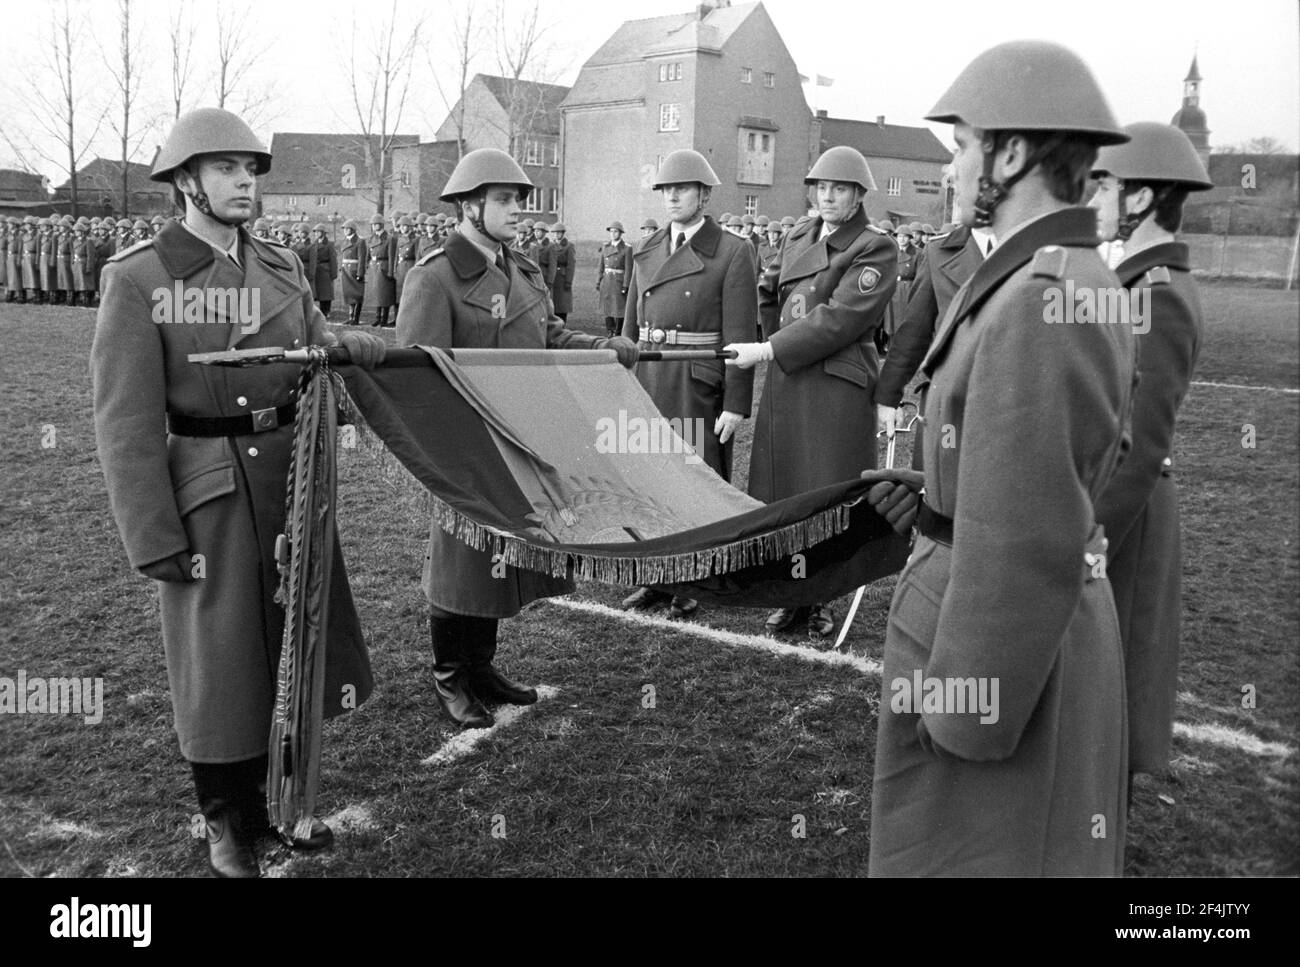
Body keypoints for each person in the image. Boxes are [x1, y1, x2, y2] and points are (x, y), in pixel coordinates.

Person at [91, 107, 387, 878]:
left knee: (287, 644)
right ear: (184, 181)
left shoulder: (282, 265)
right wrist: (154, 537)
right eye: (225, 168)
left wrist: (355, 349)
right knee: (219, 663)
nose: (244, 182)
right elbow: (123, 422)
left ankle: (276, 802)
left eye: (251, 169)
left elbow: (318, 346)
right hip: (210, 490)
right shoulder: (141, 277)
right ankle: (225, 819)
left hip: (287, 477)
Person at [864, 40, 1133, 877]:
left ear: (1012, 154)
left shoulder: (1040, 298)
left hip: (992, 657)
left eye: (962, 146)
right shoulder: (1043, 277)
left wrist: (962, 710)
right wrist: (938, 485)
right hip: (985, 626)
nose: (950, 170)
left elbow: (1023, 539)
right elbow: (1019, 470)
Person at [395, 148, 638, 730]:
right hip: (467, 444)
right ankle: (451, 674)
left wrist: (599, 349)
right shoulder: (435, 276)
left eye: (519, 201)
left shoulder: (522, 269)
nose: (517, 212)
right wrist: (445, 452)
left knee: (498, 556)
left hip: (521, 439)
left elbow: (550, 334)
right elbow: (416, 374)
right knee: (461, 562)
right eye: (503, 200)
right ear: (469, 205)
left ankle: (481, 668)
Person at [725, 146, 896, 641]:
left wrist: (769, 347)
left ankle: (819, 596)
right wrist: (769, 337)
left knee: (826, 492)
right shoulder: (801, 232)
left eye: (839, 188)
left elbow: (841, 318)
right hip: (788, 374)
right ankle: (789, 592)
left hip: (835, 382)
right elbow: (769, 286)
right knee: (785, 491)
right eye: (821, 187)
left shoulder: (874, 246)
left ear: (859, 194)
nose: (827, 196)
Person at [1089, 122, 1213, 792]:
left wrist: (1088, 539)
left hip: (1126, 517)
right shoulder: (1136, 281)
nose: (1095, 196)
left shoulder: (1154, 293)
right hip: (1120, 508)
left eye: (1105, 184)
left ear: (1138, 198)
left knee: (1113, 693)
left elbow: (1141, 444)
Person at [620, 149, 757, 619]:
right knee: (652, 477)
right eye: (665, 189)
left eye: (682, 188)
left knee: (695, 480)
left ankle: (695, 580)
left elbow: (742, 335)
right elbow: (629, 328)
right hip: (651, 377)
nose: (672, 196)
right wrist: (621, 379)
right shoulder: (648, 249)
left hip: (697, 380)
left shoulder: (733, 252)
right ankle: (657, 576)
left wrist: (736, 402)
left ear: (703, 194)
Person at [873, 207, 985, 471]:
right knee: (939, 490)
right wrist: (888, 396)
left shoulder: (1044, 248)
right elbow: (915, 328)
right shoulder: (940, 252)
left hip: (1016, 407)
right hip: (951, 401)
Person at [597, 220, 632, 337]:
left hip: (618, 281)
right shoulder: (605, 247)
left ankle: (618, 331)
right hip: (607, 281)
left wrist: (626, 285)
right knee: (607, 306)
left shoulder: (626, 248)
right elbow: (601, 266)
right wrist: (598, 281)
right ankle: (609, 330)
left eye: (615, 232)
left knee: (619, 308)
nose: (613, 234)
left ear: (621, 233)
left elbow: (628, 269)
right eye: (611, 232)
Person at [365, 215, 396, 327]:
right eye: (373, 224)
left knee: (385, 294)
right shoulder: (371, 238)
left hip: (384, 266)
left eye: (376, 224)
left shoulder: (389, 238)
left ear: (381, 225)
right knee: (377, 294)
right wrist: (366, 266)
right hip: (374, 266)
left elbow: (391, 256)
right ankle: (378, 317)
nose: (374, 226)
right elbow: (368, 254)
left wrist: (391, 271)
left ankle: (384, 318)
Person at [307, 222, 338, 317]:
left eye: (318, 232)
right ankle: (321, 311)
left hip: (326, 270)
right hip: (317, 270)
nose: (316, 234)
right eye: (315, 232)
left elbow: (333, 260)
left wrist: (333, 273)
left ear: (324, 233)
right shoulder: (314, 244)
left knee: (326, 292)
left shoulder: (329, 244)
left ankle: (326, 310)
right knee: (319, 292)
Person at [339, 220, 366, 325]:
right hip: (346, 270)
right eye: (344, 229)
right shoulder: (344, 241)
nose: (345, 231)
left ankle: (356, 317)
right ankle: (350, 316)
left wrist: (360, 273)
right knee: (349, 294)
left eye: (347, 229)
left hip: (354, 270)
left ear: (353, 230)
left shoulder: (360, 242)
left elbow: (362, 258)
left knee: (357, 294)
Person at [548, 222, 576, 321]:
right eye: (555, 233)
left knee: (562, 304)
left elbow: (571, 265)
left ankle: (562, 323)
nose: (556, 235)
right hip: (552, 276)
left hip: (562, 277)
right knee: (552, 302)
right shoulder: (550, 245)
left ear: (563, 233)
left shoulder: (569, 246)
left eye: (559, 233)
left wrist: (568, 281)